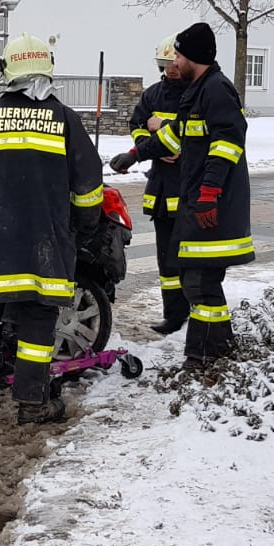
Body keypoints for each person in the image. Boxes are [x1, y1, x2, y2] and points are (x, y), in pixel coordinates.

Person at [0, 33, 104, 425]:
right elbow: (88, 187)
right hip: (48, 239)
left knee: (17, 310)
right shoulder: (65, 119)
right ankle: (33, 404)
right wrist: (82, 229)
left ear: (6, 71)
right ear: (47, 69)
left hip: (0, 239)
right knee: (38, 319)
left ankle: (26, 381)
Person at [131, 23, 254, 370]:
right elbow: (177, 137)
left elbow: (227, 144)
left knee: (201, 284)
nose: (176, 61)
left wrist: (210, 192)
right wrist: (135, 155)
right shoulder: (199, 90)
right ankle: (215, 349)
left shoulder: (216, 90)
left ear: (194, 57)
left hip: (211, 204)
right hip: (199, 202)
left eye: (180, 55)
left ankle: (203, 356)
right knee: (199, 283)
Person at [108, 35, 190, 334]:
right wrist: (150, 143)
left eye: (174, 63)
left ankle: (192, 311)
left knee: (189, 259)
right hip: (161, 188)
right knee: (166, 261)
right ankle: (174, 315)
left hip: (187, 188)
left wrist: (158, 137)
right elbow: (137, 125)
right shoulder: (153, 95)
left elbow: (191, 134)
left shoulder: (196, 95)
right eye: (164, 64)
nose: (170, 69)